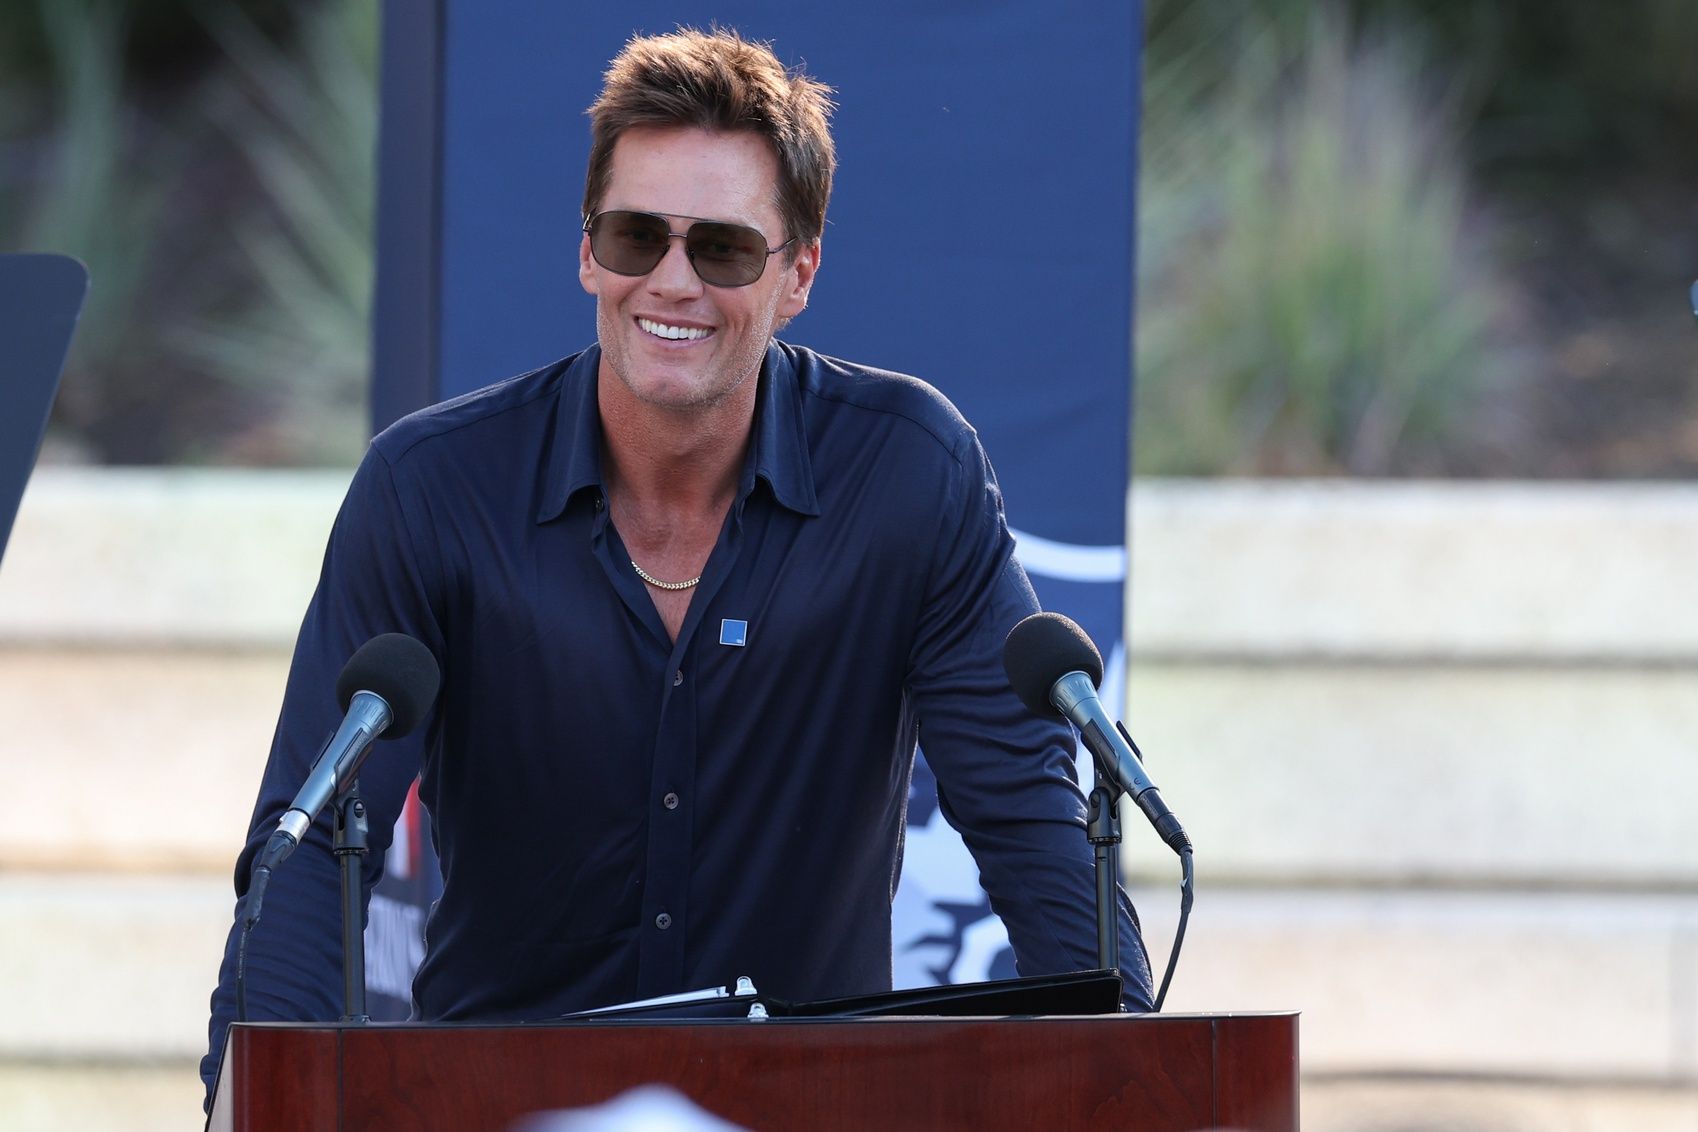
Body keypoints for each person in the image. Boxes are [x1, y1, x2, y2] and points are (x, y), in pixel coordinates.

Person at [201, 26, 1153, 1106]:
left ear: (799, 274)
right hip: (502, 1111)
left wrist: (1132, 1091)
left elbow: (1034, 834)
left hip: (811, 1109)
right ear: (585, 252)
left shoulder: (908, 476)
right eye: (635, 235)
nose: (672, 280)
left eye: (724, 249)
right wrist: (260, 1108)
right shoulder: (432, 488)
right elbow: (308, 847)